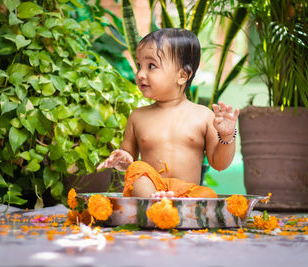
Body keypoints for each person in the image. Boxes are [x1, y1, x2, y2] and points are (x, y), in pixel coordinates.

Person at [97, 28, 239, 198]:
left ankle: (166, 210)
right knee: (137, 170)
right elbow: (129, 160)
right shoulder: (138, 117)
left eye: (151, 66)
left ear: (182, 76)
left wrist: (227, 135)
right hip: (149, 192)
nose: (141, 74)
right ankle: (156, 205)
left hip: (186, 193)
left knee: (208, 195)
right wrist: (123, 159)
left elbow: (219, 164)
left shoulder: (203, 116)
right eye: (139, 66)